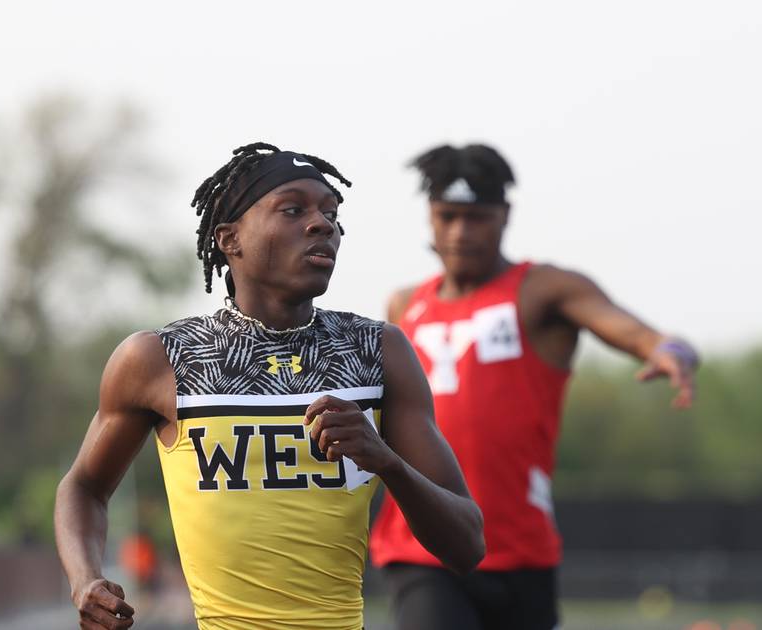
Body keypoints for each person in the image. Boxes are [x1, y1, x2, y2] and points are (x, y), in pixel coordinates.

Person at [55, 143, 485, 630]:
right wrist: (85, 580)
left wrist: (386, 460)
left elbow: (467, 543)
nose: (323, 224)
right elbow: (84, 488)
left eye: (331, 212)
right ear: (229, 238)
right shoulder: (160, 358)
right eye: (293, 209)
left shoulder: (378, 351)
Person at [369, 143, 699, 630]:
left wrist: (672, 353)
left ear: (504, 216)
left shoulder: (542, 290)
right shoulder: (404, 306)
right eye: (448, 216)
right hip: (425, 548)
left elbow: (635, 332)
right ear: (430, 219)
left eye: (477, 217)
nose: (461, 232)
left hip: (522, 552)